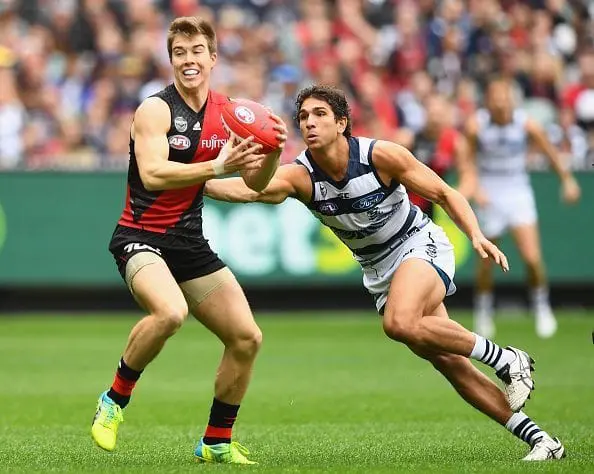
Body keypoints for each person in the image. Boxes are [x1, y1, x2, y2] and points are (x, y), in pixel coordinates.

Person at [204, 85, 565, 461]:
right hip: (378, 271)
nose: (309, 122)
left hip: (418, 244)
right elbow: (245, 191)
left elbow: (444, 193)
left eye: (319, 114)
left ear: (342, 123)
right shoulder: (300, 177)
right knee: (451, 363)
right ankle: (543, 441)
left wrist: (475, 234)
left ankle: (508, 359)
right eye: (303, 117)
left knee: (399, 323)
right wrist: (193, 178)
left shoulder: (381, 155)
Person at [91, 16, 287, 465]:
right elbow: (154, 174)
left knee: (246, 337)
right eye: (179, 52)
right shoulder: (154, 110)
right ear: (172, 60)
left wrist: (273, 150)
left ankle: (216, 441)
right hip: (139, 238)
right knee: (170, 312)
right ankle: (113, 402)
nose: (188, 60)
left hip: (188, 243)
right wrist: (219, 167)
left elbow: (255, 182)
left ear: (213, 57)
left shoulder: (231, 112)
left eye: (197, 50)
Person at [465, 78, 581, 339]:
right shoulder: (476, 126)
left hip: (518, 192)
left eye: (504, 97)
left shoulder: (526, 124)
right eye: (495, 97)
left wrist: (567, 179)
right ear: (488, 101)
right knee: (486, 262)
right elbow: (467, 161)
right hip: (490, 194)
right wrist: (477, 189)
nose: (500, 103)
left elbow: (550, 152)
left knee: (531, 258)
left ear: (512, 100)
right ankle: (483, 312)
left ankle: (541, 306)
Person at [395, 93, 476, 218]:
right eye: (432, 114)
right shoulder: (408, 140)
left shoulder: (455, 142)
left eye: (439, 115)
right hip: (411, 208)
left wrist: (457, 198)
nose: (435, 119)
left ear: (447, 115)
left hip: (441, 207)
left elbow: (468, 176)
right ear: (424, 114)